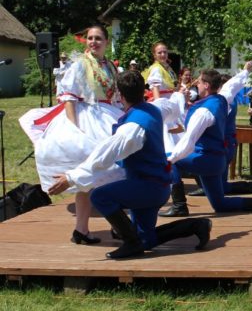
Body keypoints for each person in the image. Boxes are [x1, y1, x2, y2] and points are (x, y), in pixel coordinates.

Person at [48, 71, 211, 259]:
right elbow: (172, 106)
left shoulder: (132, 127)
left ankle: (131, 243)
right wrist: (179, 99)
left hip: (147, 188)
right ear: (144, 91)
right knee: (146, 239)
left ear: (120, 95)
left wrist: (70, 178)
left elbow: (104, 156)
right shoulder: (154, 108)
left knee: (100, 196)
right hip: (158, 185)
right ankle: (196, 226)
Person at [19, 25, 125, 245]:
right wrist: (74, 128)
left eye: (98, 38)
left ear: (106, 42)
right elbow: (69, 97)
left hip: (108, 116)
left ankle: (116, 226)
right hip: (87, 116)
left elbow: (114, 96)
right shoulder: (79, 64)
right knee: (87, 177)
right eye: (90, 38)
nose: (93, 42)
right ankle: (83, 230)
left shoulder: (110, 67)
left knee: (113, 173)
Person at [160, 69, 252, 217]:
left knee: (169, 162)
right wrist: (245, 71)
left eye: (199, 82)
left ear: (206, 85)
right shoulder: (221, 99)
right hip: (216, 160)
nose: (196, 85)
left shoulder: (204, 112)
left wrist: (171, 159)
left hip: (206, 160)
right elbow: (232, 85)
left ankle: (179, 205)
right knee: (220, 204)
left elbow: (188, 141)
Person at [187, 62, 252, 198]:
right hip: (226, 143)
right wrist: (245, 71)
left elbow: (231, 86)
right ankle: (209, 188)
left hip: (225, 144)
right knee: (219, 183)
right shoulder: (225, 99)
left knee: (221, 185)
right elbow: (234, 84)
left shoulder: (224, 101)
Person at [142, 42, 182, 152]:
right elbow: (155, 87)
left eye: (165, 52)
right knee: (166, 131)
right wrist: (160, 107)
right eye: (159, 52)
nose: (163, 54)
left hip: (170, 102)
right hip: (164, 103)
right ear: (154, 55)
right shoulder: (156, 68)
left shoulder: (167, 68)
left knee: (174, 131)